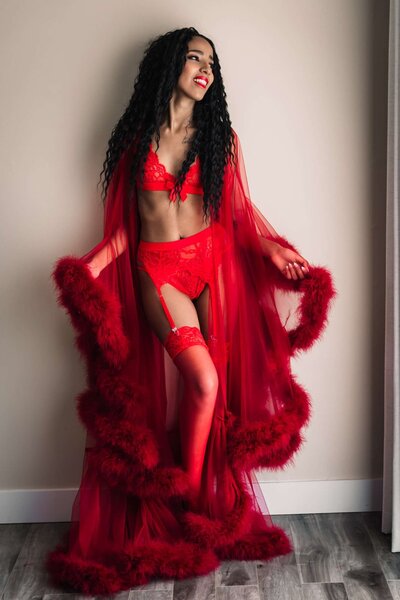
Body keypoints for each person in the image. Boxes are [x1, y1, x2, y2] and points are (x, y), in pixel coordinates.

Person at [46, 27, 336, 596]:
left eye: (211, 61)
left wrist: (274, 248)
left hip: (215, 264)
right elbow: (130, 228)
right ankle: (184, 493)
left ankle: (206, 497)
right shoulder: (137, 139)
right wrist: (97, 264)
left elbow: (238, 212)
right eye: (193, 58)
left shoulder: (218, 137)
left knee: (220, 387)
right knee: (201, 381)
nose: (204, 68)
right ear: (168, 66)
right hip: (161, 272)